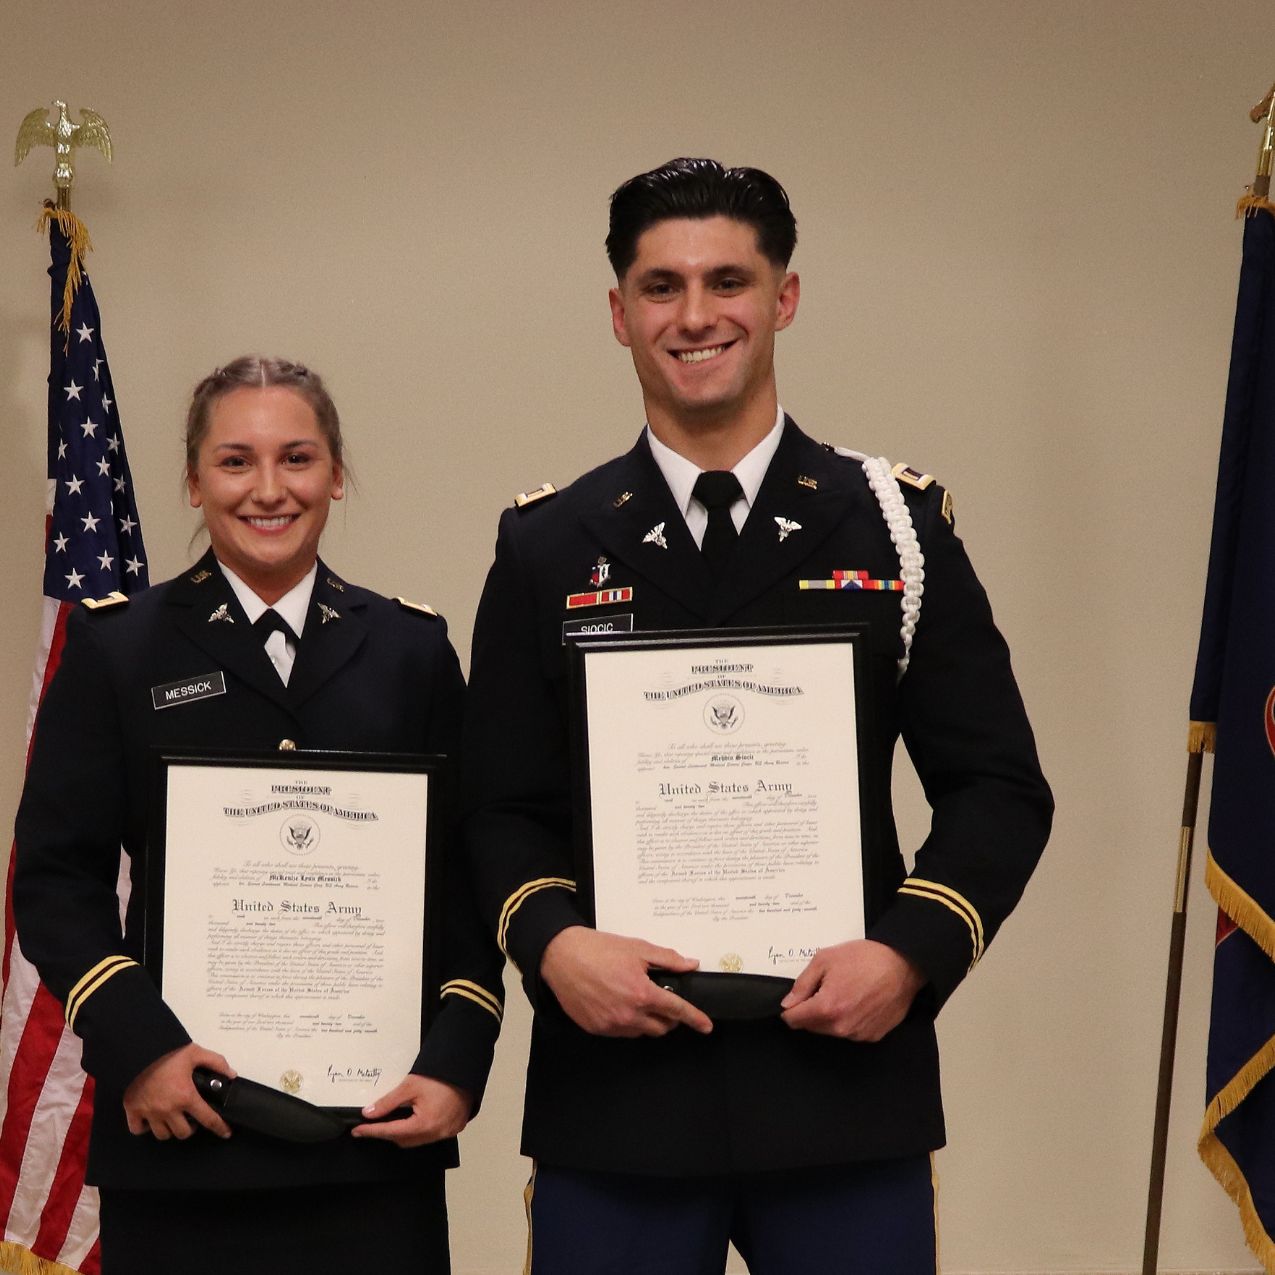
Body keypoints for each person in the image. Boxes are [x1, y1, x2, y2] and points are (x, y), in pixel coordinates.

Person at [462, 159, 1053, 1273]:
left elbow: (1000, 788)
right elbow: (499, 805)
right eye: (660, 287)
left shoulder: (893, 528)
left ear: (784, 297)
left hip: (842, 1092)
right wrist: (556, 942)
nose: (695, 316)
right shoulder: (548, 544)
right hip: (618, 1102)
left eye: (727, 281)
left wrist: (911, 953)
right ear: (619, 314)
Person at [14, 356, 504, 1274]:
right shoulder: (118, 647)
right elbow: (54, 876)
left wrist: (456, 1060)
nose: (269, 489)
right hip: (182, 1130)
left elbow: (466, 882)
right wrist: (139, 1047)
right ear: (194, 482)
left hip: (373, 1138)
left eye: (298, 458)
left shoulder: (411, 652)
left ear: (337, 475)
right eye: (236, 461)